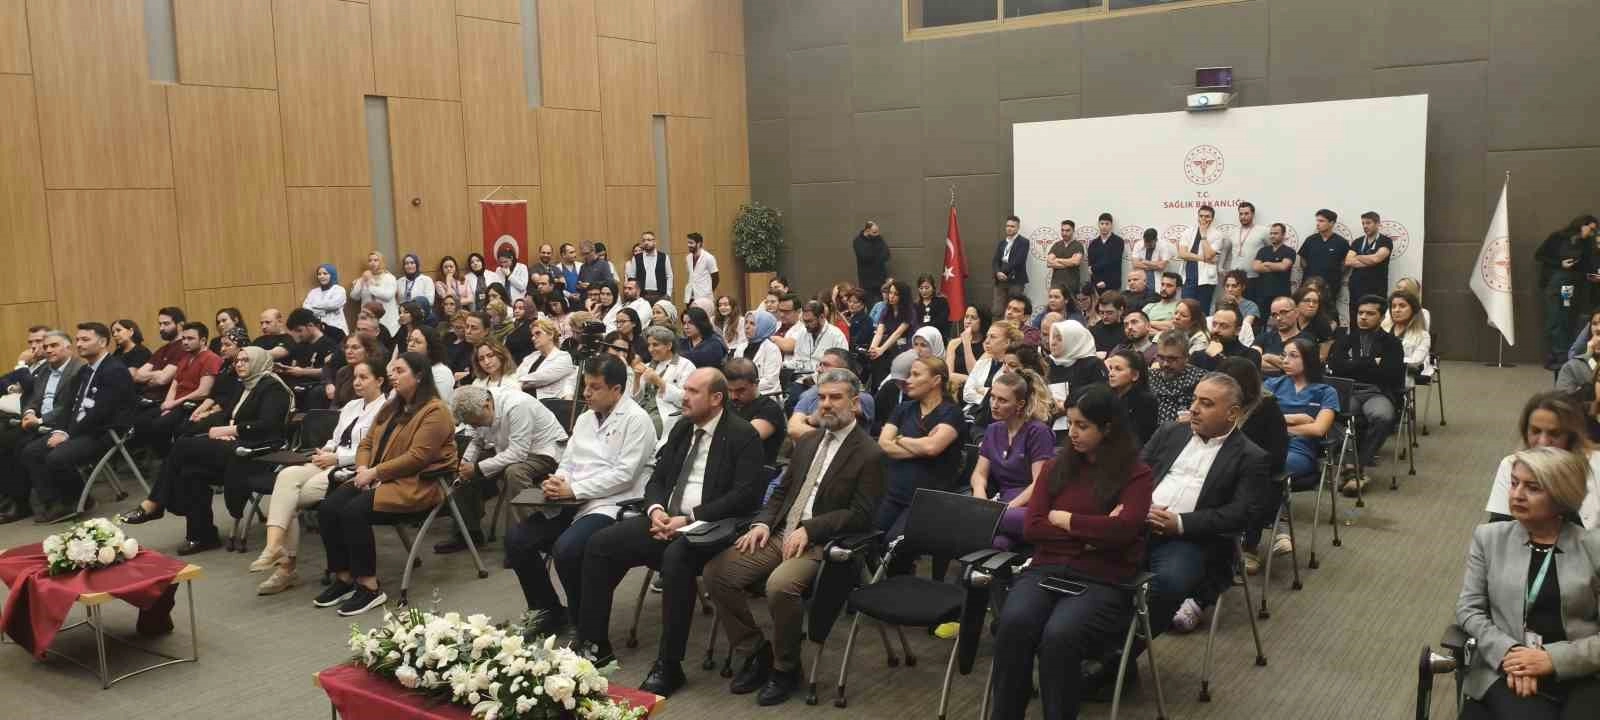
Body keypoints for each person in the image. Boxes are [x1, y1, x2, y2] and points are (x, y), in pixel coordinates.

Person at [577, 368, 766, 693]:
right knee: (600, 543)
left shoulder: (742, 434)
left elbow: (745, 495)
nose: (684, 397)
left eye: (692, 391)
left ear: (716, 398)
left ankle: (669, 663)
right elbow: (658, 479)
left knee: (676, 559)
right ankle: (593, 645)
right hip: (668, 520)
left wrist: (690, 518)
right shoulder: (682, 427)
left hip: (712, 527)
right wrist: (656, 510)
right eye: (685, 390)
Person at [705, 368, 884, 705]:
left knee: (779, 586)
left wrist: (811, 529)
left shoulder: (869, 453)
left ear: (855, 403)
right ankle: (756, 651)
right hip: (781, 531)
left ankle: (786, 667)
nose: (826, 404)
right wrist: (761, 523)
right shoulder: (809, 441)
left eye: (835, 397)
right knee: (718, 573)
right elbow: (781, 491)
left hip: (823, 542)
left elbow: (861, 515)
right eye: (822, 397)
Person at [989, 384, 1152, 720]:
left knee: (1060, 636)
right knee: (1013, 623)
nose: (1072, 433)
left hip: (1103, 577)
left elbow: (1125, 531)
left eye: (1083, 426)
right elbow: (1033, 527)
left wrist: (1065, 520)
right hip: (1047, 568)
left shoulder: (1136, 474)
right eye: (1071, 423)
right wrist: (1095, 533)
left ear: (1107, 428)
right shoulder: (1055, 467)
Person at [503, 354, 657, 638]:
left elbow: (625, 475)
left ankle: (583, 621)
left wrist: (574, 490)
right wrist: (558, 480)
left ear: (617, 389)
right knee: (517, 539)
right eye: (585, 385)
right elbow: (568, 461)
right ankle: (548, 609)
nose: (586, 393)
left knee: (567, 549)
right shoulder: (586, 418)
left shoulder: (637, 420)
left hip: (611, 503)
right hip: (571, 499)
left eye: (595, 387)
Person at [1128, 373, 1268, 655]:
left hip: (1191, 540)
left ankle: (1125, 653)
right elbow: (1134, 474)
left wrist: (1180, 523)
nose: (1193, 408)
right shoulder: (1170, 432)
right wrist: (1139, 506)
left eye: (1206, 403)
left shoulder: (1250, 457)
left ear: (1232, 413)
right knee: (1088, 562)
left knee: (1168, 583)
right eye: (1194, 400)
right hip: (1137, 524)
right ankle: (1099, 642)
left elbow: (1240, 514)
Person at [1456, 446, 1600, 719]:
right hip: (1502, 669)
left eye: (1532, 488)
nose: (1517, 494)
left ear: (1561, 496)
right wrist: (1511, 655)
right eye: (1514, 483)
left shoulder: (1594, 548)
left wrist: (1551, 660)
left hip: (1581, 672)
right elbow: (1468, 609)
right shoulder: (1489, 539)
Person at [312, 352, 456, 616]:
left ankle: (369, 587)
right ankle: (344, 578)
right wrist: (363, 468)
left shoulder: (435, 411)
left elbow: (417, 458)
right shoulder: (392, 406)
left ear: (419, 376)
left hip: (415, 484)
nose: (393, 376)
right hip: (377, 477)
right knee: (328, 508)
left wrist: (375, 473)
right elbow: (366, 443)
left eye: (400, 371)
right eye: (393, 371)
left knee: (353, 511)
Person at [122, 346, 293, 555]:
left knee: (183, 446)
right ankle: (203, 536)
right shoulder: (246, 385)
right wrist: (203, 425)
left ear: (259, 361)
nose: (239, 364)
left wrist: (229, 430)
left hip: (258, 453)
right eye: (237, 360)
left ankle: (155, 503)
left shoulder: (273, 388)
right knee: (190, 471)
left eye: (246, 360)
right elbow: (227, 415)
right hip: (235, 446)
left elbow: (268, 426)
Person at [252, 358, 387, 594]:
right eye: (355, 377)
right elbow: (335, 439)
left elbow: (375, 449)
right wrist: (325, 450)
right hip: (329, 461)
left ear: (380, 380)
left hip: (352, 469)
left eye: (364, 377)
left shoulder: (386, 409)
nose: (357, 382)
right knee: (287, 475)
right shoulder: (351, 406)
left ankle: (286, 568)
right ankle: (273, 547)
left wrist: (337, 458)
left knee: (288, 499)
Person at [20, 324, 135, 523]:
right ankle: (54, 502)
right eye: (78, 339)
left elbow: (101, 413)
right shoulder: (85, 371)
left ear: (102, 342)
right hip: (80, 429)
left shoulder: (115, 370)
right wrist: (60, 430)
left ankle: (79, 499)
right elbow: (68, 408)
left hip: (105, 431)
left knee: (57, 457)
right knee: (31, 451)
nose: (79, 344)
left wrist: (68, 434)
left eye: (85, 339)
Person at [440, 384, 567, 554]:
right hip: (507, 448)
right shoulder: (477, 408)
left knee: (514, 472)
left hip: (543, 451)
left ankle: (527, 539)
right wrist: (466, 464)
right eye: (472, 424)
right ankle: (468, 533)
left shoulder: (517, 405)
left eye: (476, 423)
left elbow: (517, 453)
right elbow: (476, 441)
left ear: (487, 405)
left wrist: (477, 469)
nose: (475, 427)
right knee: (465, 472)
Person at [876, 357, 968, 574]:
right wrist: (920, 444)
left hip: (925, 500)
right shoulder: (903, 409)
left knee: (893, 544)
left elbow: (932, 448)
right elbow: (883, 445)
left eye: (916, 375)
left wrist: (900, 438)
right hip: (893, 493)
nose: (908, 380)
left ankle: (900, 585)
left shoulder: (951, 413)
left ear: (936, 380)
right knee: (870, 537)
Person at [1483, 392, 1600, 528]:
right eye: (1536, 431)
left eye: (1554, 434)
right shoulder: (1511, 465)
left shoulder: (1596, 463)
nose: (1543, 442)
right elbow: (1499, 526)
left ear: (1571, 436)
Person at [0, 331, 82, 523]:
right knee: (5, 442)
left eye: (53, 345)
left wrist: (40, 420)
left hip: (62, 423)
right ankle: (18, 501)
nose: (48, 350)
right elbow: (35, 398)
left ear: (68, 347)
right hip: (39, 422)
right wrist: (30, 412)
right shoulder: (46, 370)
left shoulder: (78, 370)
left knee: (28, 450)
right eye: (46, 347)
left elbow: (68, 406)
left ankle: (53, 502)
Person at [1327, 295, 1405, 493]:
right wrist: (1371, 362)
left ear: (1381, 317)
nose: (1363, 317)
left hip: (1377, 392)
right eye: (1360, 313)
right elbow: (1336, 368)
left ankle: (1356, 466)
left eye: (1370, 313)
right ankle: (1352, 468)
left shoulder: (1392, 343)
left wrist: (1353, 365)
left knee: (1383, 417)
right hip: (1349, 391)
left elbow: (1391, 374)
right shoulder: (1345, 340)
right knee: (1333, 414)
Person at [971, 372, 1055, 550]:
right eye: (992, 397)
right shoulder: (993, 430)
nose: (994, 405)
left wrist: (1003, 509)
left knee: (990, 519)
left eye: (1002, 400)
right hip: (1003, 502)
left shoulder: (1038, 431)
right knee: (996, 543)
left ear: (1020, 404)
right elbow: (979, 474)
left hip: (1030, 504)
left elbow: (1039, 483)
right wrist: (980, 500)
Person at [129, 322, 221, 457]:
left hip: (192, 404)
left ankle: (168, 458)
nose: (185, 342)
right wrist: (167, 405)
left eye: (190, 339)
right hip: (175, 404)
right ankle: (152, 458)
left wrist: (173, 404)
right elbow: (175, 384)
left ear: (203, 340)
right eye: (183, 338)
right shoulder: (185, 358)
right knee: (142, 421)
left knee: (159, 425)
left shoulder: (211, 358)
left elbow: (203, 392)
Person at [1265, 338, 1339, 481]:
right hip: (1266, 444)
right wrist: (1298, 419)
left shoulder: (1326, 392)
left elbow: (1318, 429)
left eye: (1293, 356)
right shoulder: (1271, 385)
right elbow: (1259, 420)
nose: (1285, 361)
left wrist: (1277, 427)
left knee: (1264, 466)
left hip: (1299, 450)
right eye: (1284, 355)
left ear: (1309, 360)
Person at [1539, 216, 1599, 369]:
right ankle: (1554, 355)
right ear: (1581, 225)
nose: (1591, 233)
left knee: (1566, 320)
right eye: (1590, 229)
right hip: (1555, 282)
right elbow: (1540, 255)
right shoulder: (1558, 237)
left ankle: (1563, 356)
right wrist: (1560, 263)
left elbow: (1588, 265)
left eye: (1594, 231)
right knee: (1553, 320)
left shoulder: (1587, 244)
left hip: (1573, 285)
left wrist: (1590, 273)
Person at [788, 348, 876, 440]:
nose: (819, 369)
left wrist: (811, 419)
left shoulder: (862, 398)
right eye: (820, 364)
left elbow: (838, 416)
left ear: (844, 371)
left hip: (850, 449)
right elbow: (794, 428)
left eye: (826, 365)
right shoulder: (811, 393)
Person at [634, 325, 697, 442]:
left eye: (655, 345)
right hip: (641, 410)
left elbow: (687, 400)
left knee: (642, 428)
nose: (651, 349)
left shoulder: (686, 365)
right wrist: (636, 378)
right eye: (649, 345)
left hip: (665, 413)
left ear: (669, 346)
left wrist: (660, 382)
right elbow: (635, 399)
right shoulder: (647, 366)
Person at [727, 357, 786, 464]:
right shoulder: (728, 404)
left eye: (740, 390)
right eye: (729, 390)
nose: (733, 396)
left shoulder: (769, 409)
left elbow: (743, 440)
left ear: (756, 383)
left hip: (754, 469)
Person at [1298, 210, 1350, 318]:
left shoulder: (1341, 242)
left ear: (1331, 223)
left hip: (1330, 286)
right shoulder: (1310, 240)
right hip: (1309, 285)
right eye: (1317, 221)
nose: (1318, 224)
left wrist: (1335, 273)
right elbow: (1302, 260)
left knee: (1327, 315)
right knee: (1307, 312)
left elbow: (1346, 263)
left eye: (1321, 221)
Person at [131, 307, 189, 402]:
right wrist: (157, 373)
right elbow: (137, 376)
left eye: (166, 324)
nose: (161, 328)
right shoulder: (162, 349)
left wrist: (148, 377)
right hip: (145, 397)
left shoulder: (184, 347)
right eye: (160, 324)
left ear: (180, 325)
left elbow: (163, 379)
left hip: (164, 400)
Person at [1344, 211, 1393, 322]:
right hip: (1356, 288)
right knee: (1355, 320)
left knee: (1375, 320)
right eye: (1363, 223)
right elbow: (1348, 261)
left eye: (1368, 223)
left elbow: (1376, 259)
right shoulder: (1357, 242)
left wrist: (1358, 256)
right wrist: (1369, 260)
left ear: (1377, 224)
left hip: (1376, 289)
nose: (1365, 226)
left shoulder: (1385, 241)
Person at [1046, 319, 1107, 407]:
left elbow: (1100, 399)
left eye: (1059, 339)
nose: (1053, 343)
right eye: (1053, 337)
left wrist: (1070, 407)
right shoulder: (1050, 363)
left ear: (1073, 341)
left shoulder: (1092, 365)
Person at [963, 320, 1021, 410]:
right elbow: (966, 393)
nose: (987, 341)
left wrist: (980, 390)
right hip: (970, 412)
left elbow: (1003, 399)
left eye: (993, 337)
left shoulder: (1010, 369)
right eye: (987, 336)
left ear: (1007, 342)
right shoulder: (981, 363)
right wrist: (987, 394)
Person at [1150, 330, 1205, 424]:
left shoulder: (1201, 379)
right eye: (1161, 357)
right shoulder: (1150, 377)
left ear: (1187, 357)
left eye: (1172, 359)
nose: (1165, 364)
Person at [514, 318, 576, 400]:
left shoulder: (563, 357)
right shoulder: (531, 357)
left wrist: (519, 382)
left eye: (538, 333)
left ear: (551, 335)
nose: (533, 338)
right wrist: (517, 382)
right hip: (523, 399)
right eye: (532, 335)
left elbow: (542, 377)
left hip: (547, 402)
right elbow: (515, 376)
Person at [1107, 348, 1158, 445]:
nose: (1111, 374)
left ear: (1135, 375)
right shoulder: (1107, 396)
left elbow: (1140, 438)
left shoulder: (1146, 401)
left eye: (1118, 369)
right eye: (1110, 368)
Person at [1175, 205, 1223, 308]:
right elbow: (1182, 254)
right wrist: (1204, 259)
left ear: (1212, 218)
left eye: (1207, 216)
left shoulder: (1217, 235)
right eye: (1201, 216)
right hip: (1189, 278)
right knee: (1186, 308)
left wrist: (1203, 235)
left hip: (1206, 280)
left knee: (1203, 310)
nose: (1203, 219)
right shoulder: (1188, 232)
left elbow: (1209, 255)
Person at [867, 280, 913, 386]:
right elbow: (879, 332)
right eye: (890, 293)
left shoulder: (909, 311)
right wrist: (873, 348)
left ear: (903, 296)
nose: (891, 296)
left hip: (906, 345)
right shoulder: (886, 310)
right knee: (876, 359)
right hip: (891, 345)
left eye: (896, 294)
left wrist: (881, 350)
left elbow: (897, 333)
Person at [731, 310, 783, 397]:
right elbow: (734, 373)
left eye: (752, 324)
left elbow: (770, 381)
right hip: (741, 393)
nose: (747, 327)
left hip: (766, 394)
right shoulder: (741, 347)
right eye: (746, 322)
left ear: (764, 327)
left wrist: (746, 386)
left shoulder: (772, 349)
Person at [1192, 306, 1261, 371]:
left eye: (1224, 326)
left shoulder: (1251, 356)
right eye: (1214, 324)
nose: (1216, 330)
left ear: (1237, 330)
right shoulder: (1198, 356)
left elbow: (1239, 377)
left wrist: (1218, 357)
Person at [350, 251, 400, 336]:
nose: (372, 263)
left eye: (376, 260)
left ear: (382, 262)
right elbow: (354, 296)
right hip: (368, 320)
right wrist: (362, 281)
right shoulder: (364, 277)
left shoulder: (389, 277)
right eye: (370, 260)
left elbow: (388, 296)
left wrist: (370, 283)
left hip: (387, 320)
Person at [1383, 289, 1432, 371]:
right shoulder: (1382, 329)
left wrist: (1384, 360)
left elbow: (1415, 361)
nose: (1396, 310)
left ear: (1413, 309)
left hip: (1404, 377)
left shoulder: (1423, 335)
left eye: (1402, 306)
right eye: (1393, 306)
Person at [1251, 222, 1296, 309]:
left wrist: (1266, 264)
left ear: (1283, 235)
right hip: (1263, 294)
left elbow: (1283, 267)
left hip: (1281, 294)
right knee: (1262, 317)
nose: (1272, 236)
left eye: (1275, 233)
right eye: (1271, 233)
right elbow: (1256, 267)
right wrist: (1276, 266)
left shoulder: (1289, 251)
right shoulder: (1263, 250)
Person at [992, 215, 1030, 315]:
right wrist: (998, 272)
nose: (1009, 228)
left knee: (1014, 309)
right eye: (1007, 226)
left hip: (1015, 280)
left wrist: (1003, 272)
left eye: (1012, 226)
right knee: (997, 310)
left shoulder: (1024, 242)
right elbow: (995, 261)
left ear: (1018, 228)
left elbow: (1018, 261)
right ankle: (998, 326)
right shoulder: (1002, 243)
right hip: (1000, 281)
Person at [1256, 296, 1303, 376]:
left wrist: (1267, 357)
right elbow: (1252, 361)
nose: (1278, 318)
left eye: (1283, 312)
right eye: (1274, 314)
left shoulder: (1305, 339)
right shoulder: (1263, 337)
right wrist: (1284, 367)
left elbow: (1299, 367)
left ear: (1296, 313)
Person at [946, 305, 989, 388]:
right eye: (966, 317)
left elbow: (976, 374)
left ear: (982, 321)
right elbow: (948, 374)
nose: (968, 321)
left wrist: (966, 343)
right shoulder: (954, 343)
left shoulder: (987, 345)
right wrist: (969, 379)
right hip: (956, 388)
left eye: (973, 318)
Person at [303, 263, 349, 336]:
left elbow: (333, 305)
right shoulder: (313, 291)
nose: (322, 276)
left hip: (337, 330)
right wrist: (325, 310)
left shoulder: (339, 290)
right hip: (318, 330)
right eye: (319, 274)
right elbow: (305, 308)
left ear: (332, 275)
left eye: (325, 273)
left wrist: (314, 306)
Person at [627, 230, 673, 303]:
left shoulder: (664, 257)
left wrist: (668, 294)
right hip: (642, 295)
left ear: (654, 242)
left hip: (661, 295)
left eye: (649, 240)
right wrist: (634, 294)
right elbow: (632, 277)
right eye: (644, 240)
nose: (646, 242)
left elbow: (669, 276)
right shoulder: (636, 258)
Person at [853, 221, 891, 306]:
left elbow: (886, 255)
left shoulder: (879, 238)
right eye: (874, 232)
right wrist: (878, 252)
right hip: (867, 281)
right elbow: (865, 256)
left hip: (881, 280)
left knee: (883, 305)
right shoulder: (858, 241)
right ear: (867, 230)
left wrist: (876, 255)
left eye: (877, 232)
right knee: (870, 305)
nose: (877, 234)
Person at [1087, 212, 1124, 293]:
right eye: (1102, 224)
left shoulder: (1118, 241)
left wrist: (1106, 282)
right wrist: (1097, 281)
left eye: (1107, 224)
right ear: (1098, 225)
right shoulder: (1093, 243)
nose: (1104, 226)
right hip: (1096, 284)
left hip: (1112, 283)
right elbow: (1090, 266)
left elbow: (1113, 262)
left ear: (1111, 225)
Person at [1047, 219, 1085, 299]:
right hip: (1056, 286)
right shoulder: (1056, 245)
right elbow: (1049, 263)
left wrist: (1058, 260)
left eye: (1067, 230)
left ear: (1073, 231)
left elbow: (1075, 262)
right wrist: (1069, 262)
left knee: (1072, 306)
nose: (1064, 233)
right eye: (1062, 230)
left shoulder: (1078, 245)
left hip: (1072, 286)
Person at [680, 231, 719, 309]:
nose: (688, 245)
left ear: (699, 244)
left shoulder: (709, 258)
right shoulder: (688, 257)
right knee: (690, 315)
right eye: (688, 243)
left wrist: (708, 292)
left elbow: (716, 278)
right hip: (690, 296)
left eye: (691, 243)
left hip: (704, 297)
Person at [1130, 227, 1173, 294]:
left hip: (1156, 280)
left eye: (1150, 244)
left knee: (1154, 296)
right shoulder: (1138, 244)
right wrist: (1156, 265)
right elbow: (1135, 264)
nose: (1147, 245)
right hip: (1139, 279)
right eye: (1145, 243)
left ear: (1156, 240)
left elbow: (1162, 266)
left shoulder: (1164, 246)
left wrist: (1145, 261)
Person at [1233, 201, 1268, 282]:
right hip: (1235, 277)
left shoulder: (1263, 231)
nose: (1243, 217)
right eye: (1241, 214)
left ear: (1253, 214)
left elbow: (1271, 251)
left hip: (1255, 277)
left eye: (1246, 214)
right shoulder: (1233, 231)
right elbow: (1225, 252)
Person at [398, 252, 435, 316]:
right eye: (406, 263)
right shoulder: (399, 281)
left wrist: (412, 307)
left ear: (417, 265)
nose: (409, 266)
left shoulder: (426, 280)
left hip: (422, 315)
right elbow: (399, 301)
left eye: (412, 263)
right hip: (405, 316)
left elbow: (430, 301)